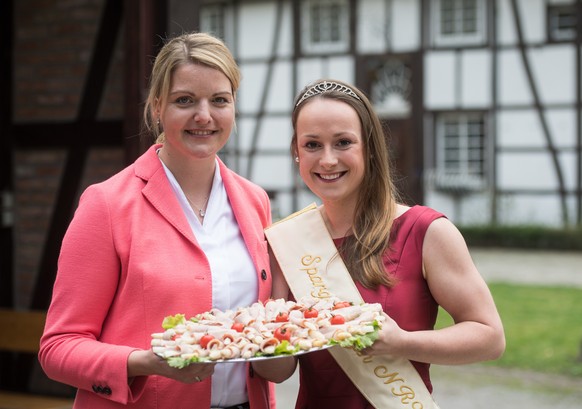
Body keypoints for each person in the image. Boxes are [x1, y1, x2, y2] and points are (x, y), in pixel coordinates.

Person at [39, 32, 276, 409]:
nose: (204, 115)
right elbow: (58, 348)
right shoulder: (106, 204)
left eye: (219, 100)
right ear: (156, 108)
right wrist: (145, 363)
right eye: (185, 100)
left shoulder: (255, 201)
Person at [267, 79, 506, 408]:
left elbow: (490, 338)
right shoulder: (285, 243)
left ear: (369, 146)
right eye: (312, 145)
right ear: (296, 151)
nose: (327, 160)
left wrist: (402, 343)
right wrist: (255, 338)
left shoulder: (425, 231)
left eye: (343, 142)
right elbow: (277, 371)